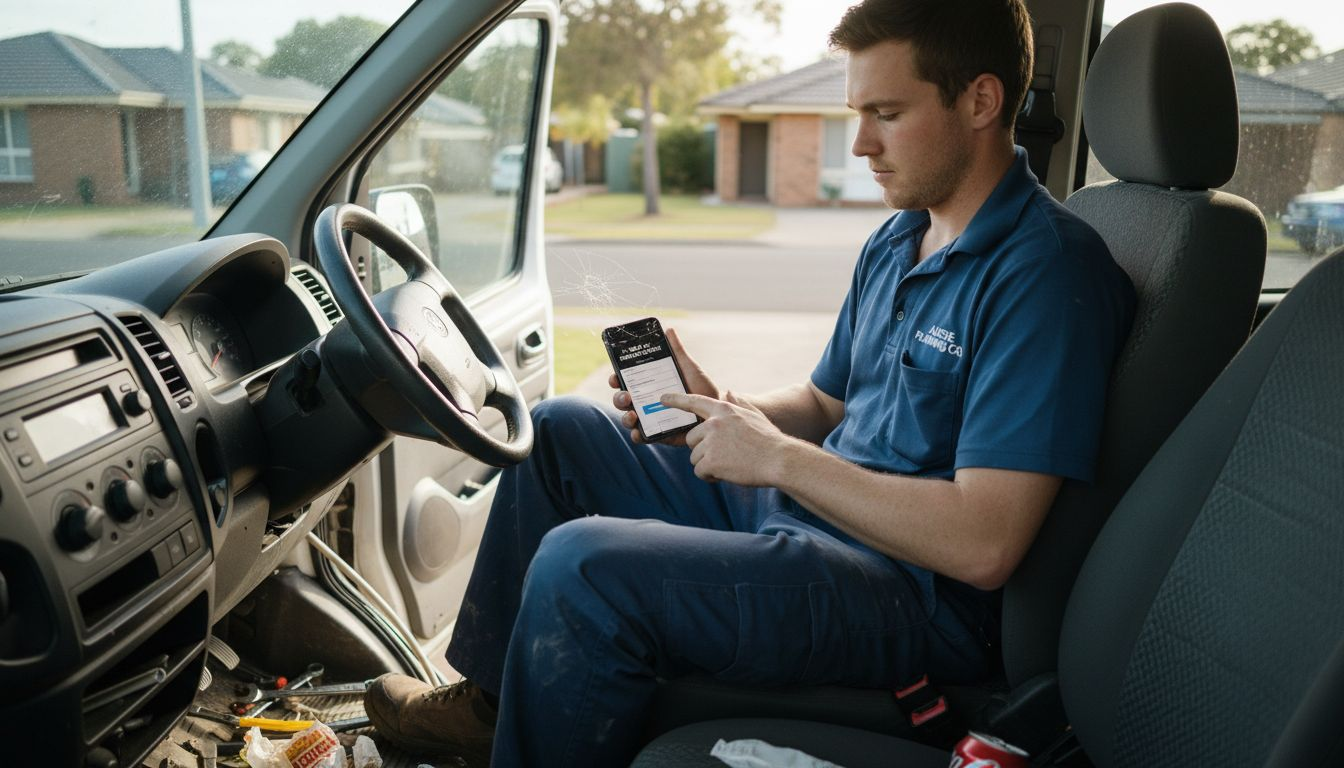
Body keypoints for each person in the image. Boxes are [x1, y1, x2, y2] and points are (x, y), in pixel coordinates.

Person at [363, 0, 1136, 764]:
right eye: (858, 113)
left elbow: (984, 542)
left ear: (981, 101)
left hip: (908, 592)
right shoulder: (902, 235)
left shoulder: (1045, 275)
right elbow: (826, 403)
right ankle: (494, 709)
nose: (861, 144)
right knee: (560, 431)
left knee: (581, 566)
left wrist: (777, 459)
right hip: (813, 514)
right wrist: (721, 410)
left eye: (888, 114)